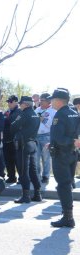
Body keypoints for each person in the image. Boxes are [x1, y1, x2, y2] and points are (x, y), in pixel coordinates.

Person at [49, 88, 79, 228]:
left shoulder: (59, 115)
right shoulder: (74, 113)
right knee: (67, 184)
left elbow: (60, 137)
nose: (51, 102)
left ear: (59, 101)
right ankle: (67, 215)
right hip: (72, 154)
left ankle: (68, 218)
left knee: (63, 185)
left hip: (61, 154)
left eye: (53, 99)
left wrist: (67, 142)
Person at [11, 96, 42, 204]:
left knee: (23, 170)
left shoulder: (24, 114)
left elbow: (13, 126)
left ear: (26, 104)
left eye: (21, 103)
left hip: (23, 144)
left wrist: (19, 128)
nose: (20, 105)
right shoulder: (36, 115)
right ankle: (37, 194)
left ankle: (26, 195)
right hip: (33, 143)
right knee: (33, 170)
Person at [34, 93, 56, 184]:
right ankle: (37, 176)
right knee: (36, 157)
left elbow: (52, 125)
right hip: (36, 136)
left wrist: (43, 119)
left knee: (46, 158)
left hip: (47, 136)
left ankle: (46, 176)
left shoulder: (53, 111)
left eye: (42, 100)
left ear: (48, 101)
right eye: (40, 100)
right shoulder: (37, 110)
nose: (40, 101)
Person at [3, 95, 21, 184]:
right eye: (8, 102)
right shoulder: (7, 111)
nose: (8, 103)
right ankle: (11, 177)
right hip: (6, 139)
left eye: (10, 102)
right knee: (8, 160)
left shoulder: (19, 111)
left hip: (15, 139)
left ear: (15, 102)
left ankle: (21, 177)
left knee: (17, 160)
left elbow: (14, 124)